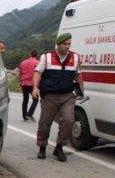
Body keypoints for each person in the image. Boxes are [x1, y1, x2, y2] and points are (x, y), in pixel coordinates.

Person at [32, 33, 82, 162]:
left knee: (69, 121)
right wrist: (35, 88)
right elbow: (37, 73)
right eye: (65, 44)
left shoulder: (75, 58)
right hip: (49, 96)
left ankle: (59, 147)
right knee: (45, 123)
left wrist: (80, 92)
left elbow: (78, 76)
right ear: (58, 45)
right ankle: (42, 147)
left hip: (67, 96)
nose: (67, 47)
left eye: (69, 44)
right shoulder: (47, 57)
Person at [19, 49, 39, 121]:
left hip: (24, 83)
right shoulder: (37, 63)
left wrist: (20, 82)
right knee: (36, 99)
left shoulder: (23, 62)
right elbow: (38, 74)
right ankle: (29, 114)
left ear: (30, 54)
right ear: (36, 55)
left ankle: (24, 116)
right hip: (32, 84)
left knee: (25, 100)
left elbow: (20, 73)